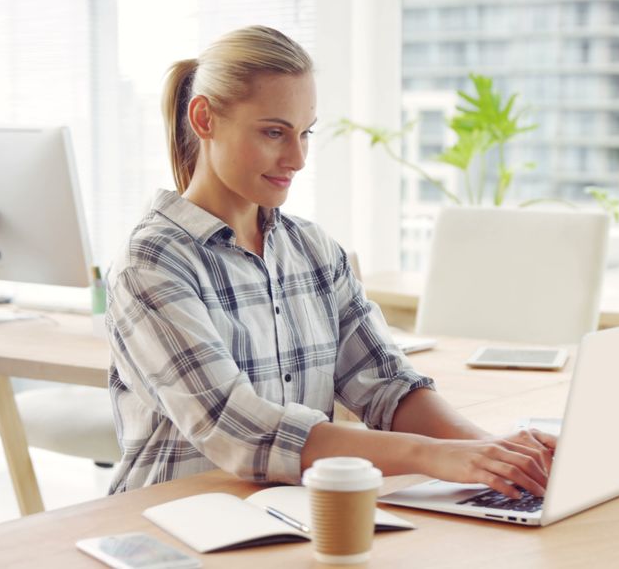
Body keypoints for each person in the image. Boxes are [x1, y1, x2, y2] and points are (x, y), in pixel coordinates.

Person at [105, 25, 554, 498]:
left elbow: (388, 386)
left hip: (293, 515)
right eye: (274, 132)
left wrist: (498, 456)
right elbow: (242, 433)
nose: (297, 158)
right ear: (204, 118)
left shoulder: (313, 250)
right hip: (175, 520)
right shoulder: (151, 264)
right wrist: (432, 455)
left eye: (305, 133)